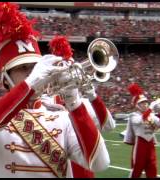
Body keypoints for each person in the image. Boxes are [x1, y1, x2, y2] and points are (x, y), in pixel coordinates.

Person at [0, 2, 110, 178]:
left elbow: (100, 162)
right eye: (23, 68)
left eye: (35, 67)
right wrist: (30, 84)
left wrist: (74, 102)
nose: (32, 73)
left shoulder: (61, 116)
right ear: (6, 79)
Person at [43, 35, 116, 178]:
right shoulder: (44, 102)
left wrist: (93, 96)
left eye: (68, 68)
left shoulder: (86, 104)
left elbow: (109, 126)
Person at [123, 83, 160, 178]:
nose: (145, 104)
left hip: (150, 143)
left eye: (146, 102)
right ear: (137, 105)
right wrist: (150, 109)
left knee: (152, 167)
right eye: (142, 103)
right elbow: (140, 121)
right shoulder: (134, 115)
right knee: (137, 167)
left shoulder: (151, 115)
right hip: (140, 143)